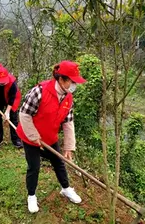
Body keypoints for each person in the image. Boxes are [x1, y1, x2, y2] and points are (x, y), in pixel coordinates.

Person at [16, 60, 86, 213]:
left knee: (59, 162)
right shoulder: (39, 92)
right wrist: (34, 136)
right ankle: (31, 196)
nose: (74, 85)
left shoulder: (68, 97)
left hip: (50, 136)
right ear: (61, 79)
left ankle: (66, 188)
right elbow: (24, 114)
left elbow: (68, 122)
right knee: (34, 166)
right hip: (30, 136)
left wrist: (69, 146)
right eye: (72, 82)